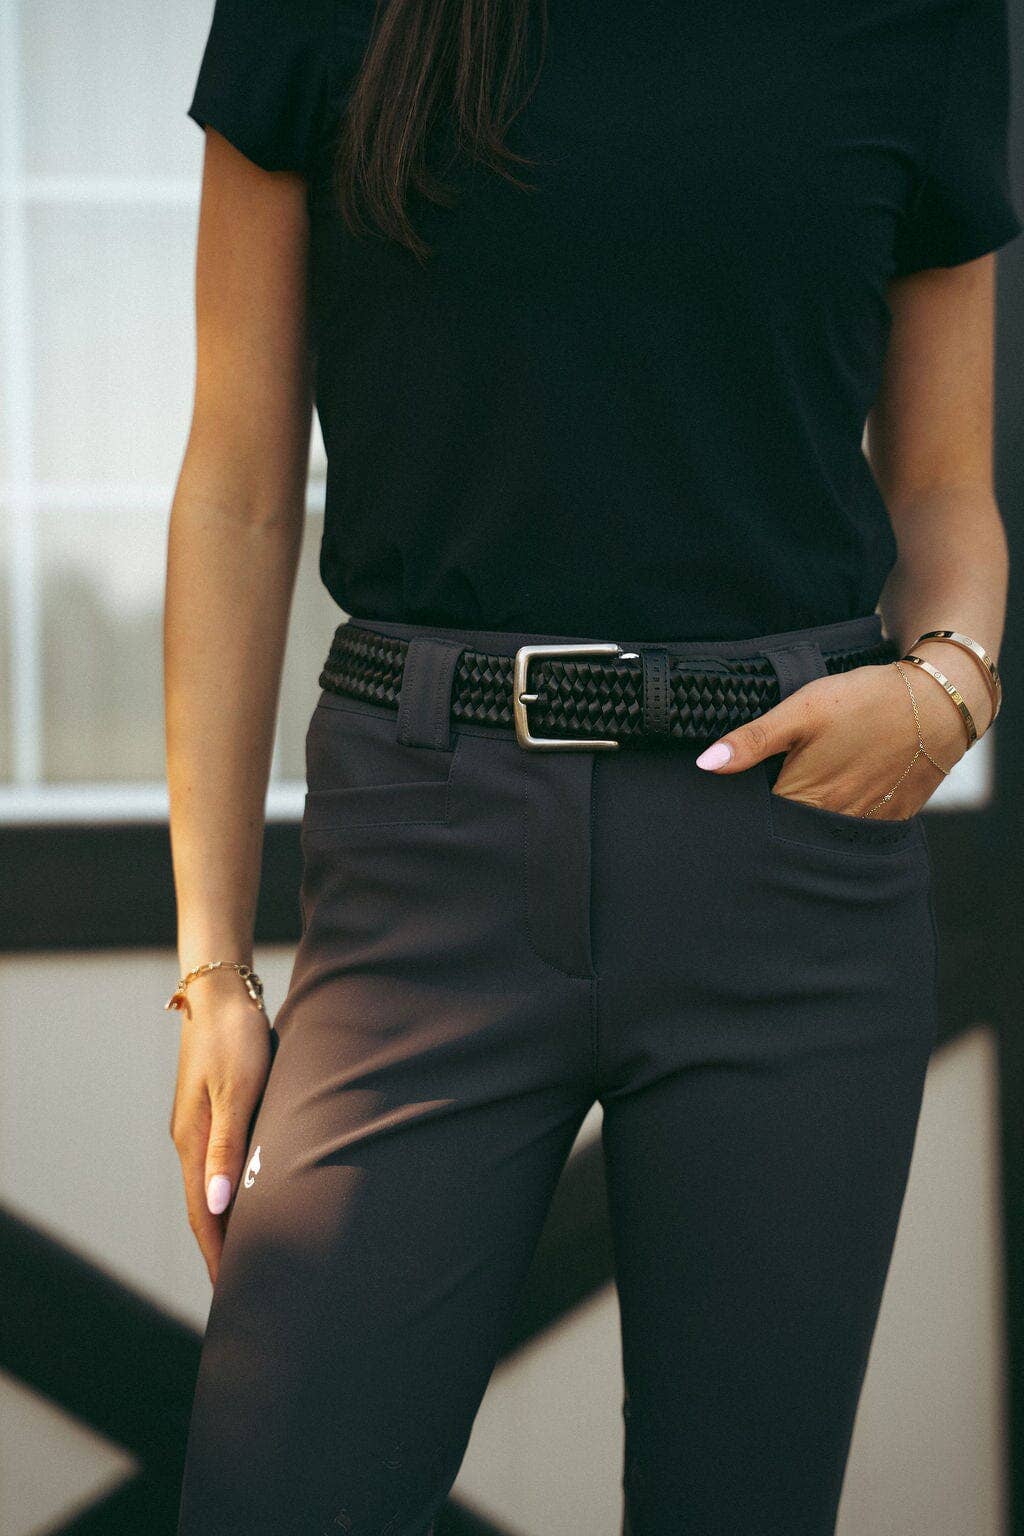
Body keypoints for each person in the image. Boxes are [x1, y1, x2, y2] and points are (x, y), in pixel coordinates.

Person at [166, 0, 1020, 1531]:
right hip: (423, 863)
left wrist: (949, 686)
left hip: (794, 867)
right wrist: (213, 966)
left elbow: (948, 485)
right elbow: (236, 485)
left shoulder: (924, 22)